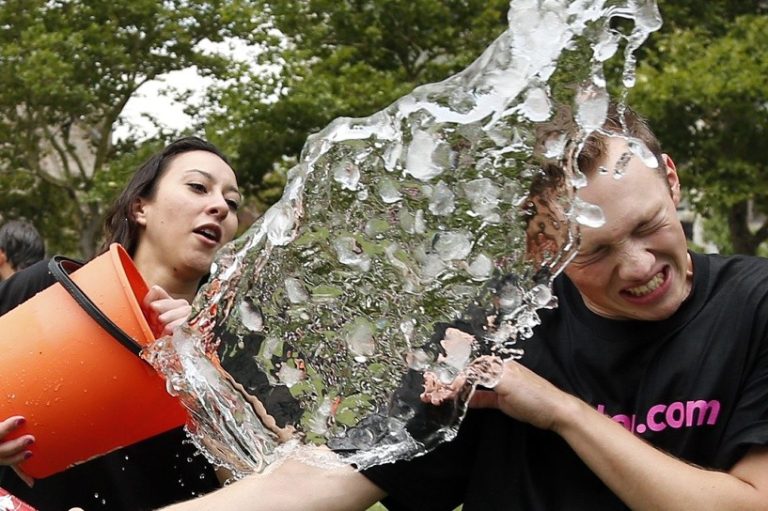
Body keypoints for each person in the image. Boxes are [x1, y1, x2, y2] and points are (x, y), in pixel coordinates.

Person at [156, 105, 768, 511]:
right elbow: (320, 483)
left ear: (671, 179)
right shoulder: (498, 335)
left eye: (651, 226)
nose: (638, 267)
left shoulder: (755, 304)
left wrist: (562, 413)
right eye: (596, 251)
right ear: (543, 247)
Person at [0, 136, 242, 510]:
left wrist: (199, 372)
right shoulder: (46, 289)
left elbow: (254, 486)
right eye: (198, 187)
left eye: (232, 203)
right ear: (139, 207)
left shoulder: (232, 356)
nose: (220, 208)